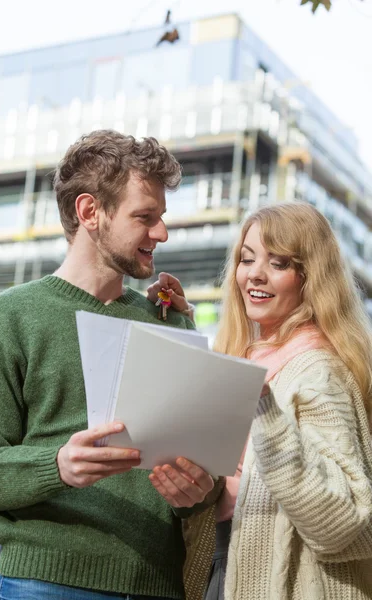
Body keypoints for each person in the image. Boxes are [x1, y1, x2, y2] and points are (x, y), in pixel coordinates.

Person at [0, 130, 224, 600]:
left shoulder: (171, 321)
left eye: (162, 217)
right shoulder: (0, 323)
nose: (162, 233)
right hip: (44, 584)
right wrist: (57, 464)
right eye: (145, 217)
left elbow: (203, 472)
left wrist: (199, 490)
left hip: (158, 585)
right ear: (90, 212)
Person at [148, 202, 372, 599]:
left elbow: (344, 522)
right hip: (226, 567)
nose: (255, 273)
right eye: (247, 259)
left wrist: (265, 411)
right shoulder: (251, 359)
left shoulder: (318, 372)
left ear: (310, 277)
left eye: (279, 263)